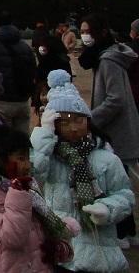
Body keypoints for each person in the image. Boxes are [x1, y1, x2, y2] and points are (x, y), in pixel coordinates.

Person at [31, 70, 134, 271]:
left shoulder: (106, 158)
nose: (74, 127)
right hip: (62, 250)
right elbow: (34, 173)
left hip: (98, 251)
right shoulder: (51, 157)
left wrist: (107, 208)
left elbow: (125, 195)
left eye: (79, 120)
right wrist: (44, 136)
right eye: (65, 122)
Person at [0, 125, 79, 272]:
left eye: (27, 157)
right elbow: (12, 238)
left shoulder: (28, 186)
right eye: (20, 158)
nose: (27, 164)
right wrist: (18, 192)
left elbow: (39, 225)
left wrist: (55, 247)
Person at [86, 29, 139, 246]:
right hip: (117, 128)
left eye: (88, 31)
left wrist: (91, 119)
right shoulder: (109, 58)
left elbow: (115, 99)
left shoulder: (108, 61)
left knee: (115, 181)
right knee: (120, 179)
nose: (84, 36)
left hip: (114, 131)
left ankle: (121, 233)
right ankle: (128, 230)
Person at [0, 10, 37, 135]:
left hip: (2, 100)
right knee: (22, 143)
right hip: (22, 100)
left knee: (4, 142)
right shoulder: (24, 46)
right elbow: (33, 70)